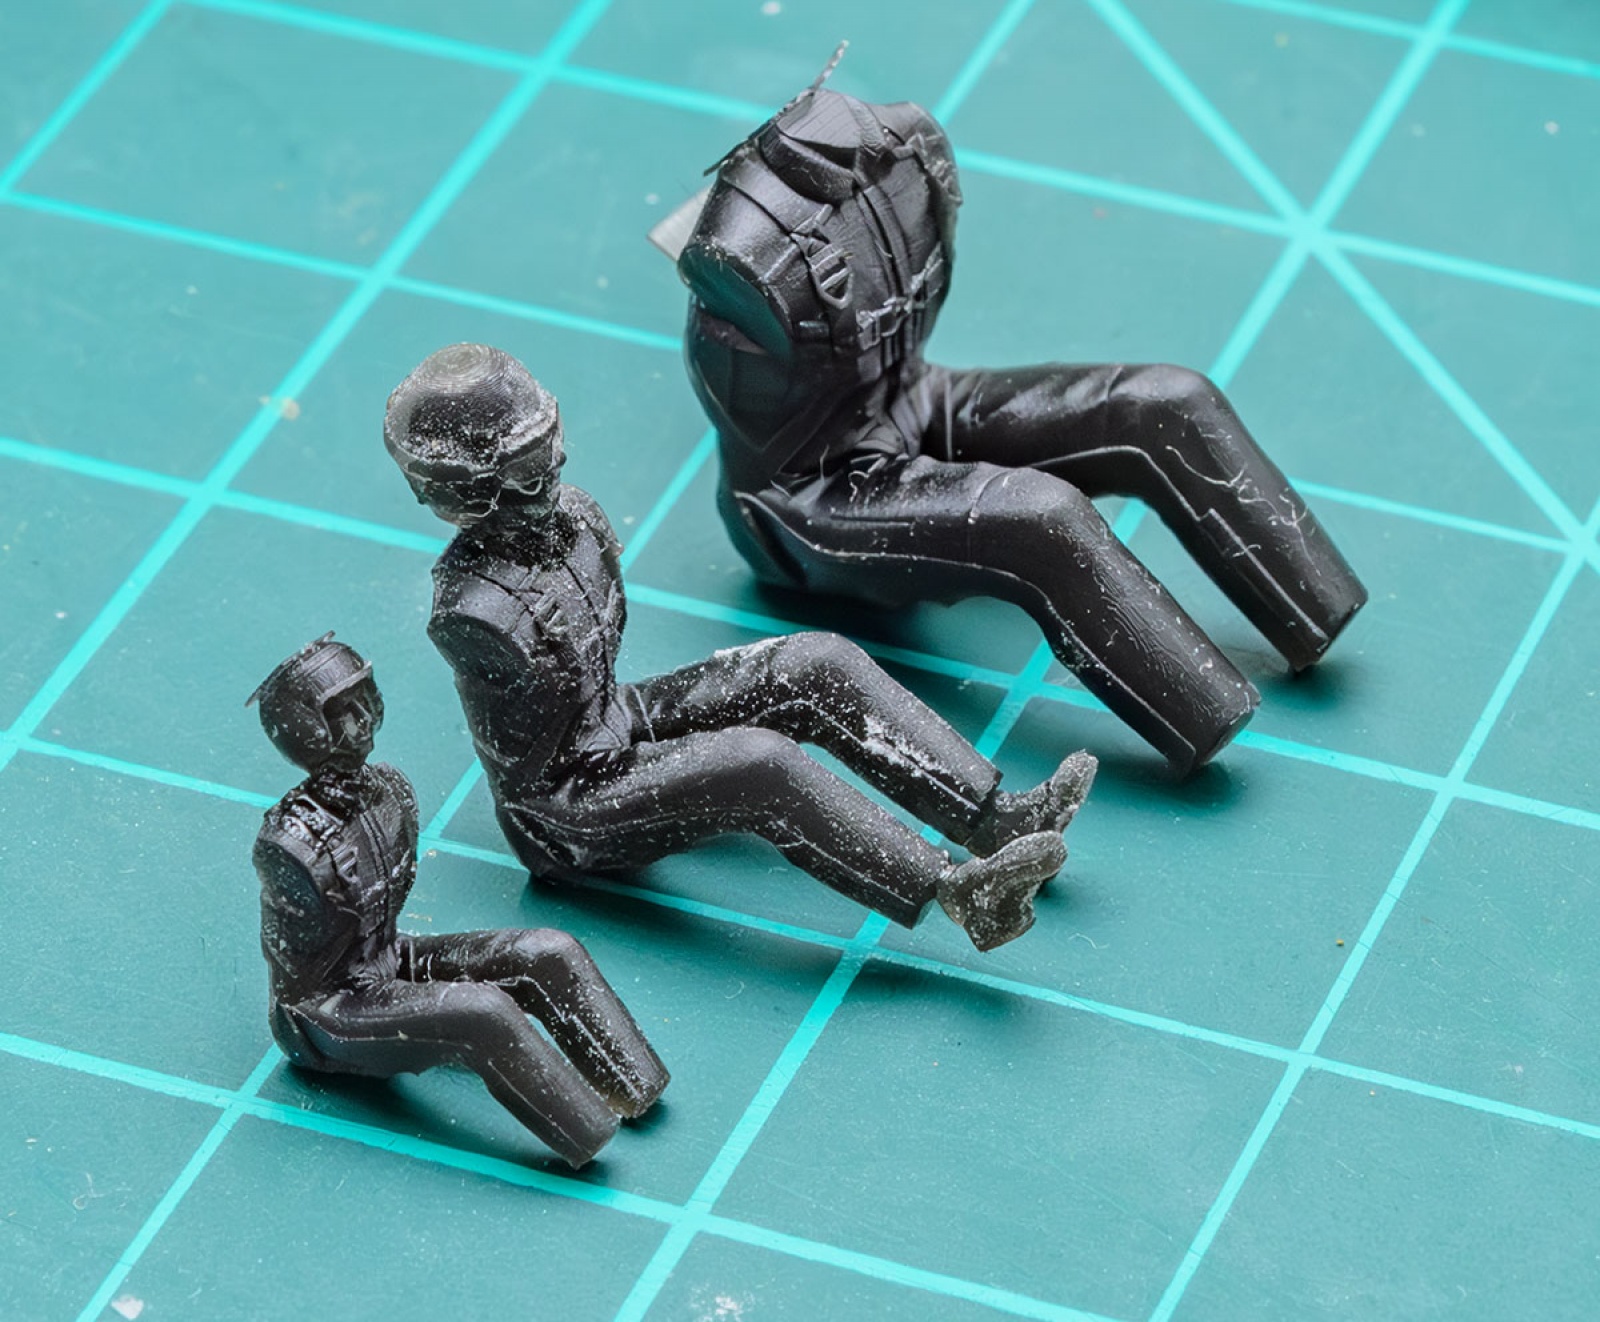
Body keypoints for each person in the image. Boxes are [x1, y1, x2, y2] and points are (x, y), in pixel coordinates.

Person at [656, 76, 1368, 773]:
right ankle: (1205, 713)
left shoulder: (905, 150)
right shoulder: (735, 256)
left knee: (1165, 403)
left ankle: (1315, 608)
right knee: (1040, 522)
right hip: (810, 494)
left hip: (913, 395)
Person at [384, 344, 1097, 952]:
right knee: (757, 765)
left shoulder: (578, 519)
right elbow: (547, 759)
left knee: (816, 665)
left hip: (617, 720)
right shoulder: (474, 612)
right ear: (464, 491)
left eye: (547, 446)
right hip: (568, 803)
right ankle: (958, 892)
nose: (548, 471)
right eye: (521, 465)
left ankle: (995, 818)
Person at [250, 634, 667, 1168]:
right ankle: (588, 1136)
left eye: (364, 700)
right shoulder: (290, 846)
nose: (362, 721)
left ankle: (636, 1084)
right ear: (305, 730)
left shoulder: (389, 790)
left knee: (546, 951)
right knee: (482, 1014)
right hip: (328, 1010)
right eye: (340, 712)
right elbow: (305, 973)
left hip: (387, 959)